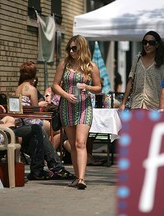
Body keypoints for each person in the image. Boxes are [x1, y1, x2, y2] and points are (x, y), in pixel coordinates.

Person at [0, 75, 73, 180]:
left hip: (5, 131)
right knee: (36, 129)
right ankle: (49, 169)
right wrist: (1, 122)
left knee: (36, 132)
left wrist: (5, 119)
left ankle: (44, 169)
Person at [53, 35, 102, 189]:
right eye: (70, 48)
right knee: (73, 144)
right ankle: (76, 176)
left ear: (82, 48)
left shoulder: (90, 66)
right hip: (67, 106)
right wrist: (66, 95)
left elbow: (99, 87)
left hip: (84, 107)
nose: (72, 51)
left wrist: (86, 87)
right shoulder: (64, 64)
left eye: (75, 48)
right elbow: (55, 85)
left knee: (81, 142)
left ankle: (81, 178)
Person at [120, 31, 164, 110]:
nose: (147, 45)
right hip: (136, 105)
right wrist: (123, 103)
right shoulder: (137, 59)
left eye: (151, 43)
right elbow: (130, 81)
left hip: (154, 106)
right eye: (144, 42)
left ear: (157, 44)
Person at [15, 61, 51, 135]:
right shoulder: (32, 89)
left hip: (19, 121)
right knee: (56, 130)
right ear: (34, 74)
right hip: (30, 122)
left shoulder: (18, 88)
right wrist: (40, 104)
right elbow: (36, 110)